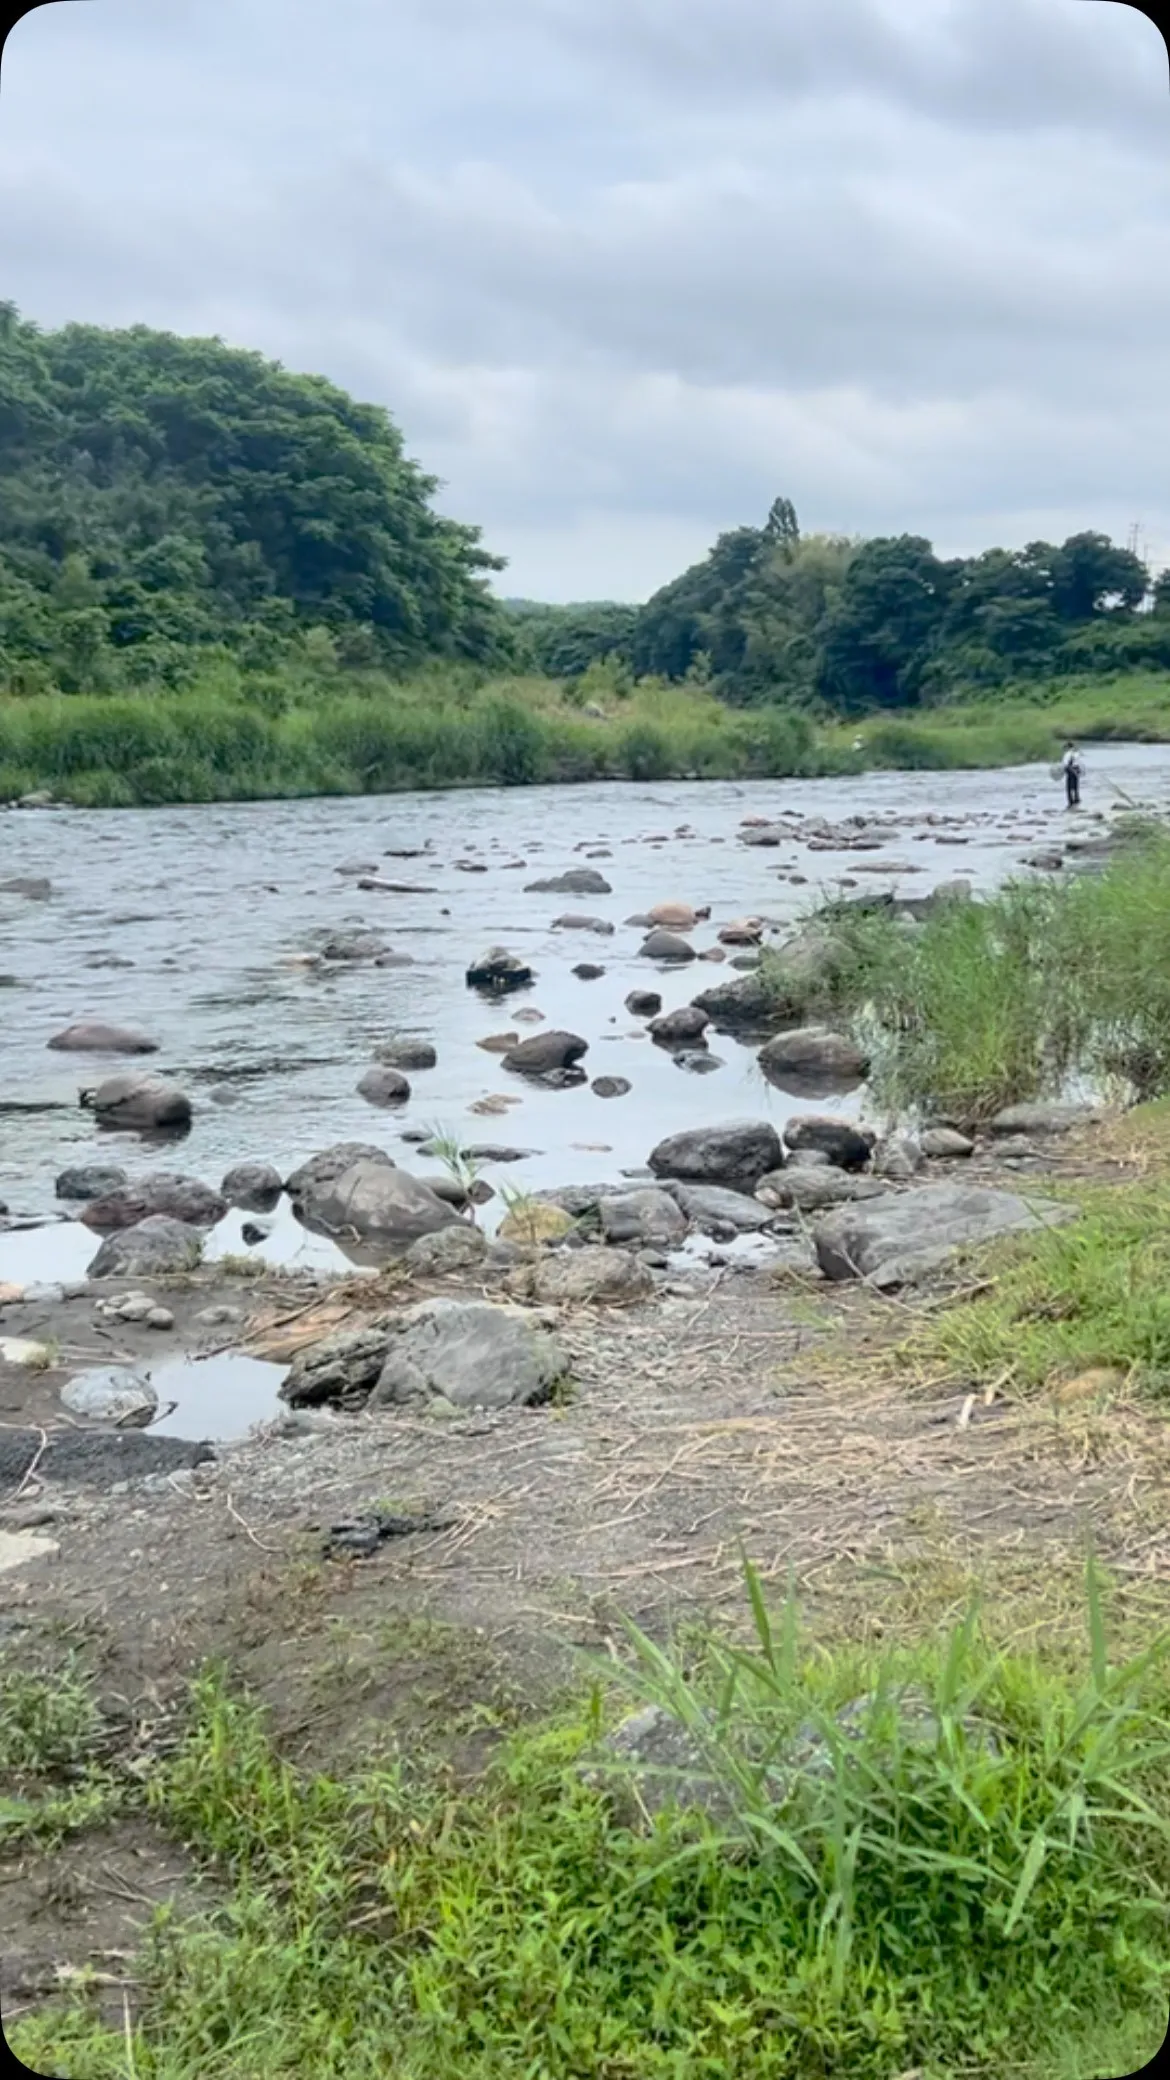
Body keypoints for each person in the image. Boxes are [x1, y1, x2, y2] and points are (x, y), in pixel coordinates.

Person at [1061, 741, 1082, 809]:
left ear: (1068, 747)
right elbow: (1078, 763)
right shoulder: (1076, 753)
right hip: (1077, 769)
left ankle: (1071, 802)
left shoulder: (1067, 754)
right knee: (1075, 786)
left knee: (1069, 787)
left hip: (1070, 770)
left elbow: (1065, 764)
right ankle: (1077, 799)